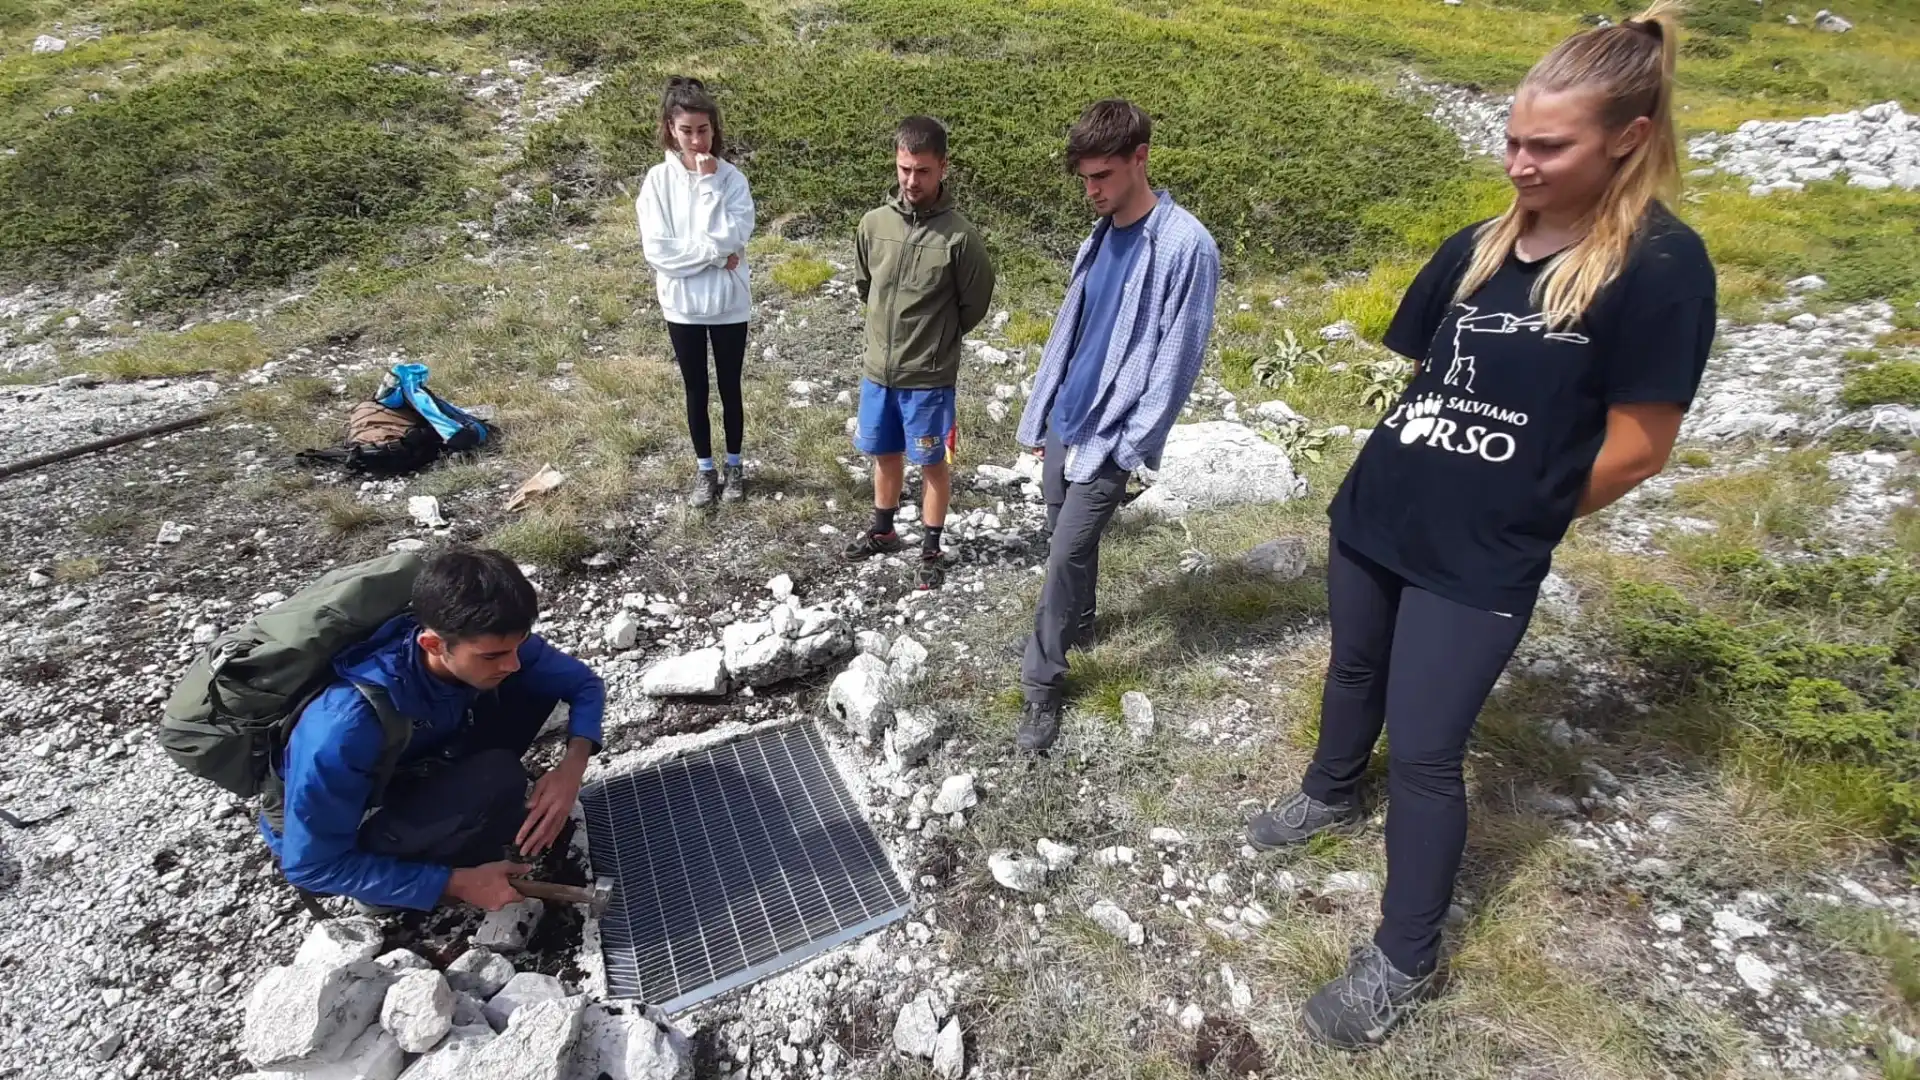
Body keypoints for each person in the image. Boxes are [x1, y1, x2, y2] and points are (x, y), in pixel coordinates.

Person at [1244, 3, 1713, 1049]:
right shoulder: (1480, 245)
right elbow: (1425, 375)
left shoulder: (1662, 269)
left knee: (1425, 750)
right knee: (1352, 672)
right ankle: (1326, 794)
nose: (1519, 163)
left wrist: (1521, 512)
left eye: (1549, 145)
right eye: (1512, 137)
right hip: (1377, 511)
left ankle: (1406, 955)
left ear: (1628, 138)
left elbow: (1641, 445)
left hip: (1480, 557)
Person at [1011, 99, 1220, 752]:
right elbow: (1075, 334)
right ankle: (1082, 620)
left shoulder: (1187, 246)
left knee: (1066, 551)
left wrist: (1133, 446)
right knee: (1065, 540)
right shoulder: (1097, 236)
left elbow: (1178, 357)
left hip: (1112, 436)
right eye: (1084, 179)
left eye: (1102, 176)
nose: (1091, 191)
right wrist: (1046, 412)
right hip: (1068, 419)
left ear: (1140, 158)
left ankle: (1042, 684)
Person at [262, 548, 606, 913]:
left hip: (415, 759)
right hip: (349, 826)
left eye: (518, 646)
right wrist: (456, 882)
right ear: (432, 644)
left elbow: (584, 685)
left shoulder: (484, 640)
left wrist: (571, 769)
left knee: (528, 691)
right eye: (492, 656)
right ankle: (387, 891)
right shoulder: (342, 729)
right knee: (498, 774)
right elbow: (310, 866)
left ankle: (454, 825)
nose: (512, 662)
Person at [843, 115, 997, 590]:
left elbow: (975, 303)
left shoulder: (959, 237)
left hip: (928, 379)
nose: (912, 180)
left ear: (943, 168)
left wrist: (936, 343)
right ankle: (883, 529)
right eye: (905, 168)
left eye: (923, 171)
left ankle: (931, 547)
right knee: (884, 453)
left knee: (933, 463)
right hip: (878, 372)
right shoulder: (873, 224)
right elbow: (865, 285)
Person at [638, 76, 756, 508]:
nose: (695, 138)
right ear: (670, 127)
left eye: (703, 129)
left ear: (714, 128)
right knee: (696, 390)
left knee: (730, 387)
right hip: (682, 305)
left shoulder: (731, 179)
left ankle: (735, 466)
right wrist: (712, 256)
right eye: (686, 130)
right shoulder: (656, 182)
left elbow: (736, 235)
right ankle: (705, 470)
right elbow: (659, 252)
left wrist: (708, 186)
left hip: (728, 303)